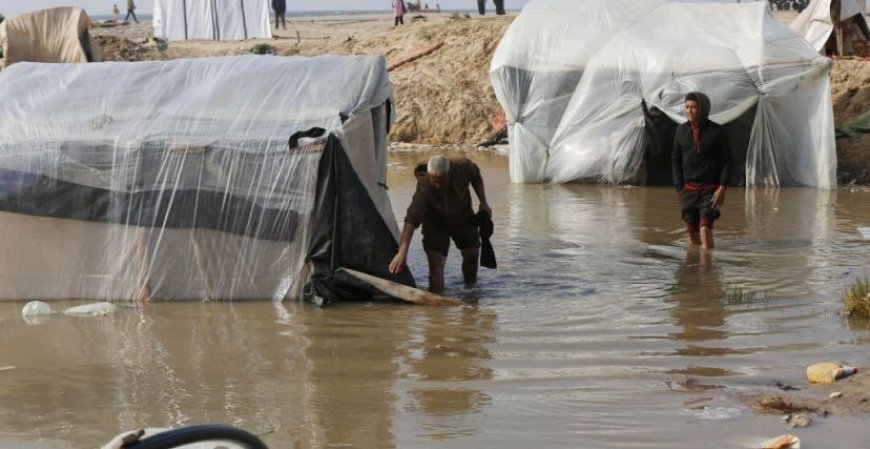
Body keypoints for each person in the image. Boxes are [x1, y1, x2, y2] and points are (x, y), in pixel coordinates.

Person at [389, 156, 491, 292]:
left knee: (472, 254)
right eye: (434, 181)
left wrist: (483, 202)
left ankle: (471, 292)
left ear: (449, 174)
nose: (438, 185)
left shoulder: (463, 167)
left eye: (441, 181)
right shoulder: (424, 189)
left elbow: (476, 177)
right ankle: (437, 305)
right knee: (436, 263)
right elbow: (411, 221)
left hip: (462, 215)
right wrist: (402, 252)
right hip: (434, 223)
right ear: (430, 176)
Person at [672, 92, 730, 250]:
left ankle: (708, 270)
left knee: (705, 230)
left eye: (694, 107)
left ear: (702, 109)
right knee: (691, 232)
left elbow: (726, 161)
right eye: (687, 107)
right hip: (688, 190)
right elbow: (675, 160)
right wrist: (679, 188)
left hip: (710, 190)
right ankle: (697, 268)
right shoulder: (680, 131)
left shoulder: (717, 132)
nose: (689, 111)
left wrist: (722, 187)